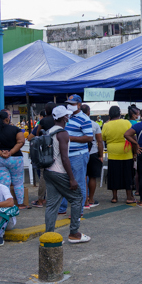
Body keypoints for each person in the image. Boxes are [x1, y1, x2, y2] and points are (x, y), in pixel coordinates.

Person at [42, 105, 90, 244]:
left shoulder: (48, 131)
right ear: (64, 117)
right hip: (59, 172)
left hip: (48, 172)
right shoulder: (63, 133)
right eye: (67, 115)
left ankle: (49, 236)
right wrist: (72, 178)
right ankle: (74, 233)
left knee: (51, 205)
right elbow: (64, 158)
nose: (68, 117)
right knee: (77, 198)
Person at [56, 95, 93, 215]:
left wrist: (70, 138)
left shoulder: (84, 119)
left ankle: (78, 209)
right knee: (64, 181)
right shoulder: (66, 117)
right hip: (65, 155)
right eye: (68, 103)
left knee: (79, 182)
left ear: (79, 105)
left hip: (78, 155)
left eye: (72, 103)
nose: (69, 105)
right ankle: (62, 208)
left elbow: (89, 137)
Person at [0, 110, 27, 209]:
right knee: (18, 182)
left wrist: (1, 153)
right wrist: (11, 152)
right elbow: (21, 141)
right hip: (15, 158)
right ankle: (21, 203)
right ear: (7, 119)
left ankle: (6, 203)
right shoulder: (15, 129)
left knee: (4, 182)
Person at [102, 106, 134, 204]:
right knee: (128, 175)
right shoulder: (127, 123)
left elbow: (103, 138)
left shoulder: (106, 125)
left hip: (113, 153)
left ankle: (115, 197)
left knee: (114, 175)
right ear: (119, 113)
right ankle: (129, 197)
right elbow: (133, 135)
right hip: (126, 152)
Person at [82, 104, 103, 209]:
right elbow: (100, 141)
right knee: (92, 177)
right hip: (93, 153)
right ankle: (91, 199)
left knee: (83, 176)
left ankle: (85, 201)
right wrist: (101, 155)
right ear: (89, 112)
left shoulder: (77, 124)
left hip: (80, 152)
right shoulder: (94, 125)